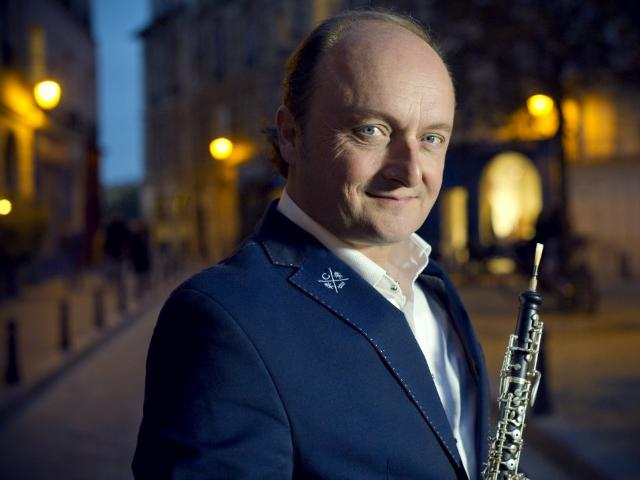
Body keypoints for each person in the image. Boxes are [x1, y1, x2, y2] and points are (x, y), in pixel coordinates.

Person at [133, 9, 489, 480]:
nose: (410, 170)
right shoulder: (220, 321)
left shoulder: (436, 287)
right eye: (371, 131)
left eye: (431, 138)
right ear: (290, 135)